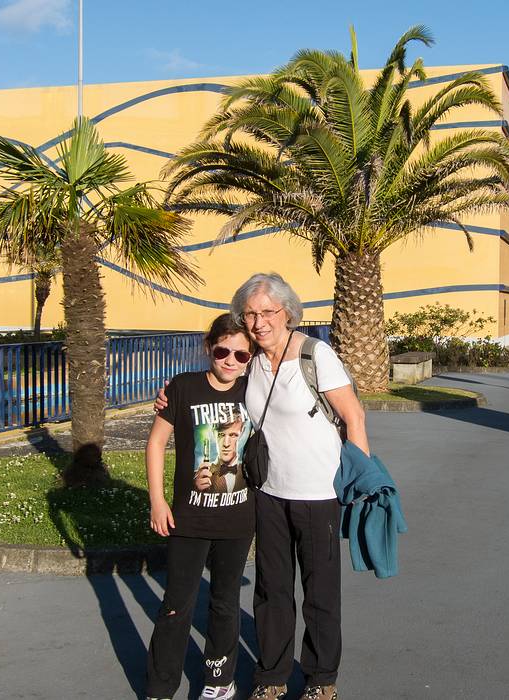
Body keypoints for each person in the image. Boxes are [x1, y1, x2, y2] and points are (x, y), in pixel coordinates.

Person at [157, 273, 369, 700]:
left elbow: (354, 418)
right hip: (268, 494)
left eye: (267, 312)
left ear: (287, 312)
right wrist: (170, 396)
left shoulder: (315, 355)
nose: (258, 322)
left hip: (318, 495)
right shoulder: (252, 361)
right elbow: (219, 376)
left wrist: (357, 484)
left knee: (319, 593)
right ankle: (271, 678)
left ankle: (321, 680)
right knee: (272, 593)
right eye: (250, 313)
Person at [145, 313, 255, 700]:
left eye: (242, 355)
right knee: (176, 605)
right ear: (209, 348)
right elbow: (156, 442)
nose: (231, 361)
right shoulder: (183, 387)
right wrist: (157, 501)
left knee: (225, 603)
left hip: (238, 520)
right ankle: (161, 687)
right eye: (223, 350)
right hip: (188, 518)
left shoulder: (256, 390)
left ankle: (219, 680)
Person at [194, 410, 248, 494]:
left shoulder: (246, 472)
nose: (226, 444)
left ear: (242, 432)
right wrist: (196, 487)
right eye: (221, 435)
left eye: (233, 435)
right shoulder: (203, 475)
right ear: (213, 433)